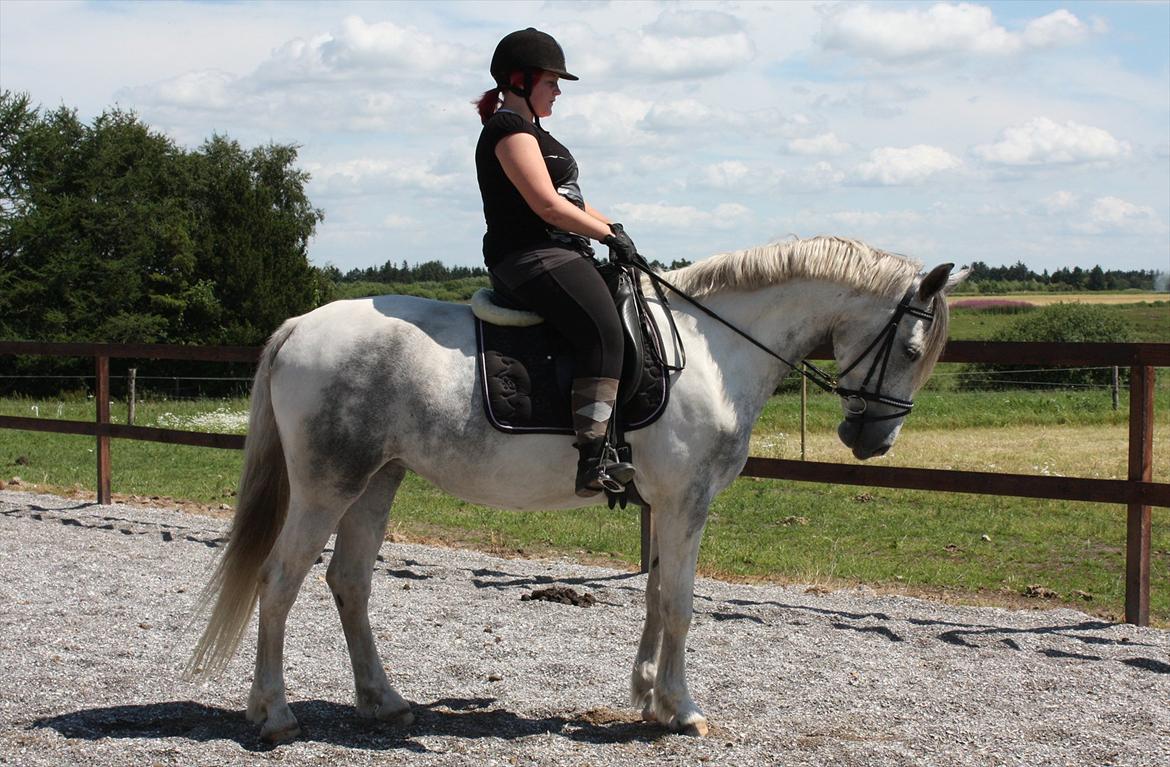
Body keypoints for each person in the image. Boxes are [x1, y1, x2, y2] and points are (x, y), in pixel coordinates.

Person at [473, 27, 637, 497]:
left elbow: (573, 203)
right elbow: (546, 205)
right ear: (520, 80)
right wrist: (605, 235)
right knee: (603, 328)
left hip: (561, 250)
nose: (559, 91)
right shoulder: (508, 129)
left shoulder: (536, 132)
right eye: (552, 82)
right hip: (529, 255)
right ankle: (593, 456)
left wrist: (617, 231)